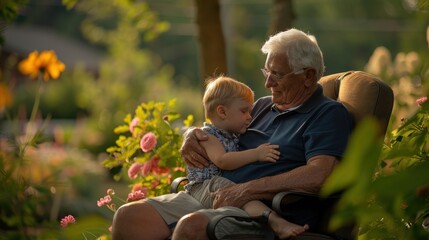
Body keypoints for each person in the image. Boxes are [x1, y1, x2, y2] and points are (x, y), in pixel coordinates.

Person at [111, 28, 354, 240]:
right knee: (128, 217)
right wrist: (193, 134)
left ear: (308, 76)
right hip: (213, 193)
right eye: (266, 72)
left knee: (191, 227)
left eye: (277, 74)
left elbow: (320, 174)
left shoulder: (327, 114)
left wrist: (247, 190)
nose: (268, 83)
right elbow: (218, 124)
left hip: (261, 212)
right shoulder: (259, 106)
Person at [183, 75, 309, 238]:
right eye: (244, 111)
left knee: (238, 192)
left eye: (250, 110)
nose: (250, 116)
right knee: (239, 193)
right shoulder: (208, 137)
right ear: (222, 112)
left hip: (216, 189)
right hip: (203, 187)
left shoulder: (232, 135)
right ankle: (275, 222)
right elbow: (223, 161)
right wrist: (256, 154)